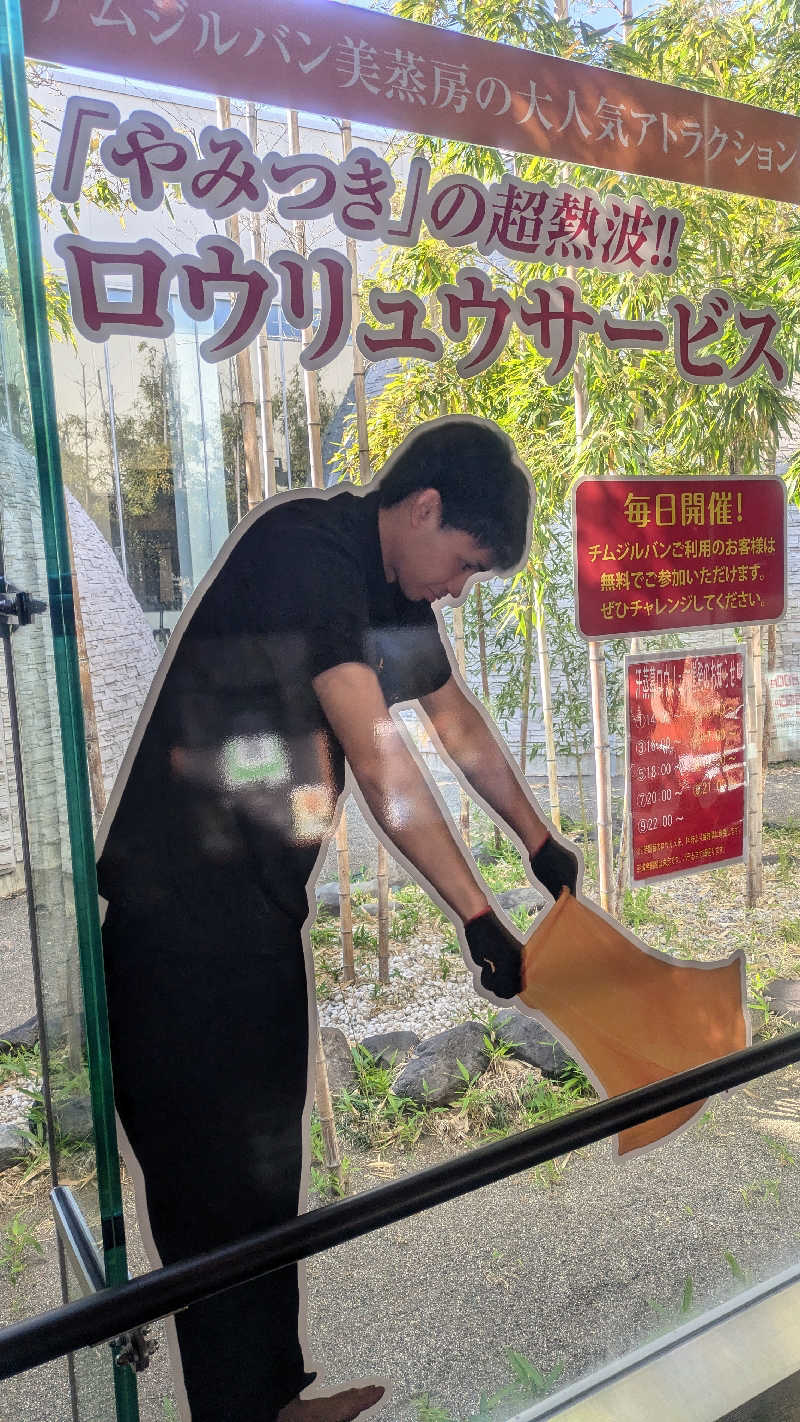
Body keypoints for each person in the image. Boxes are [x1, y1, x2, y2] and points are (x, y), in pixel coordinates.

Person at [96, 415, 579, 1422]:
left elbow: (453, 724)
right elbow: (380, 755)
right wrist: (476, 916)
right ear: (423, 508)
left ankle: (275, 1402)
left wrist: (539, 842)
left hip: (256, 923)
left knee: (266, 1181)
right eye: (463, 563)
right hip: (177, 930)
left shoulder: (383, 578)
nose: (455, 588)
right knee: (211, 1206)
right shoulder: (307, 555)